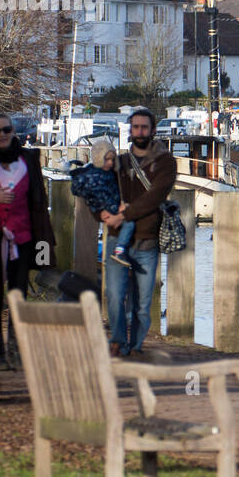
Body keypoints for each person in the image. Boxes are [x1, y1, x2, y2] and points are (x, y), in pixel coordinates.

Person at [0, 111, 53, 370]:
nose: (2, 135)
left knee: (18, 294)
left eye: (6, 130)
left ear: (13, 131)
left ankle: (16, 351)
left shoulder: (28, 158)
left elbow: (38, 199)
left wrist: (44, 241)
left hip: (22, 236)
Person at [95, 108, 176, 357]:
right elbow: (98, 188)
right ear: (130, 130)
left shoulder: (166, 162)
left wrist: (125, 214)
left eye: (144, 127)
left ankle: (136, 345)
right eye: (135, 127)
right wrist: (104, 212)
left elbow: (155, 197)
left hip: (148, 240)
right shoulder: (119, 162)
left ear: (152, 130)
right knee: (114, 295)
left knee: (142, 304)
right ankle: (119, 340)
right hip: (117, 237)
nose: (139, 131)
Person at [68, 136, 136, 266]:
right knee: (130, 222)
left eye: (112, 159)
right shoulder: (96, 176)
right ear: (99, 159)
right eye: (107, 159)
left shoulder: (106, 173)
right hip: (107, 208)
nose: (110, 162)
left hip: (110, 206)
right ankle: (120, 250)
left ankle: (118, 251)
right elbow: (99, 195)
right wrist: (112, 208)